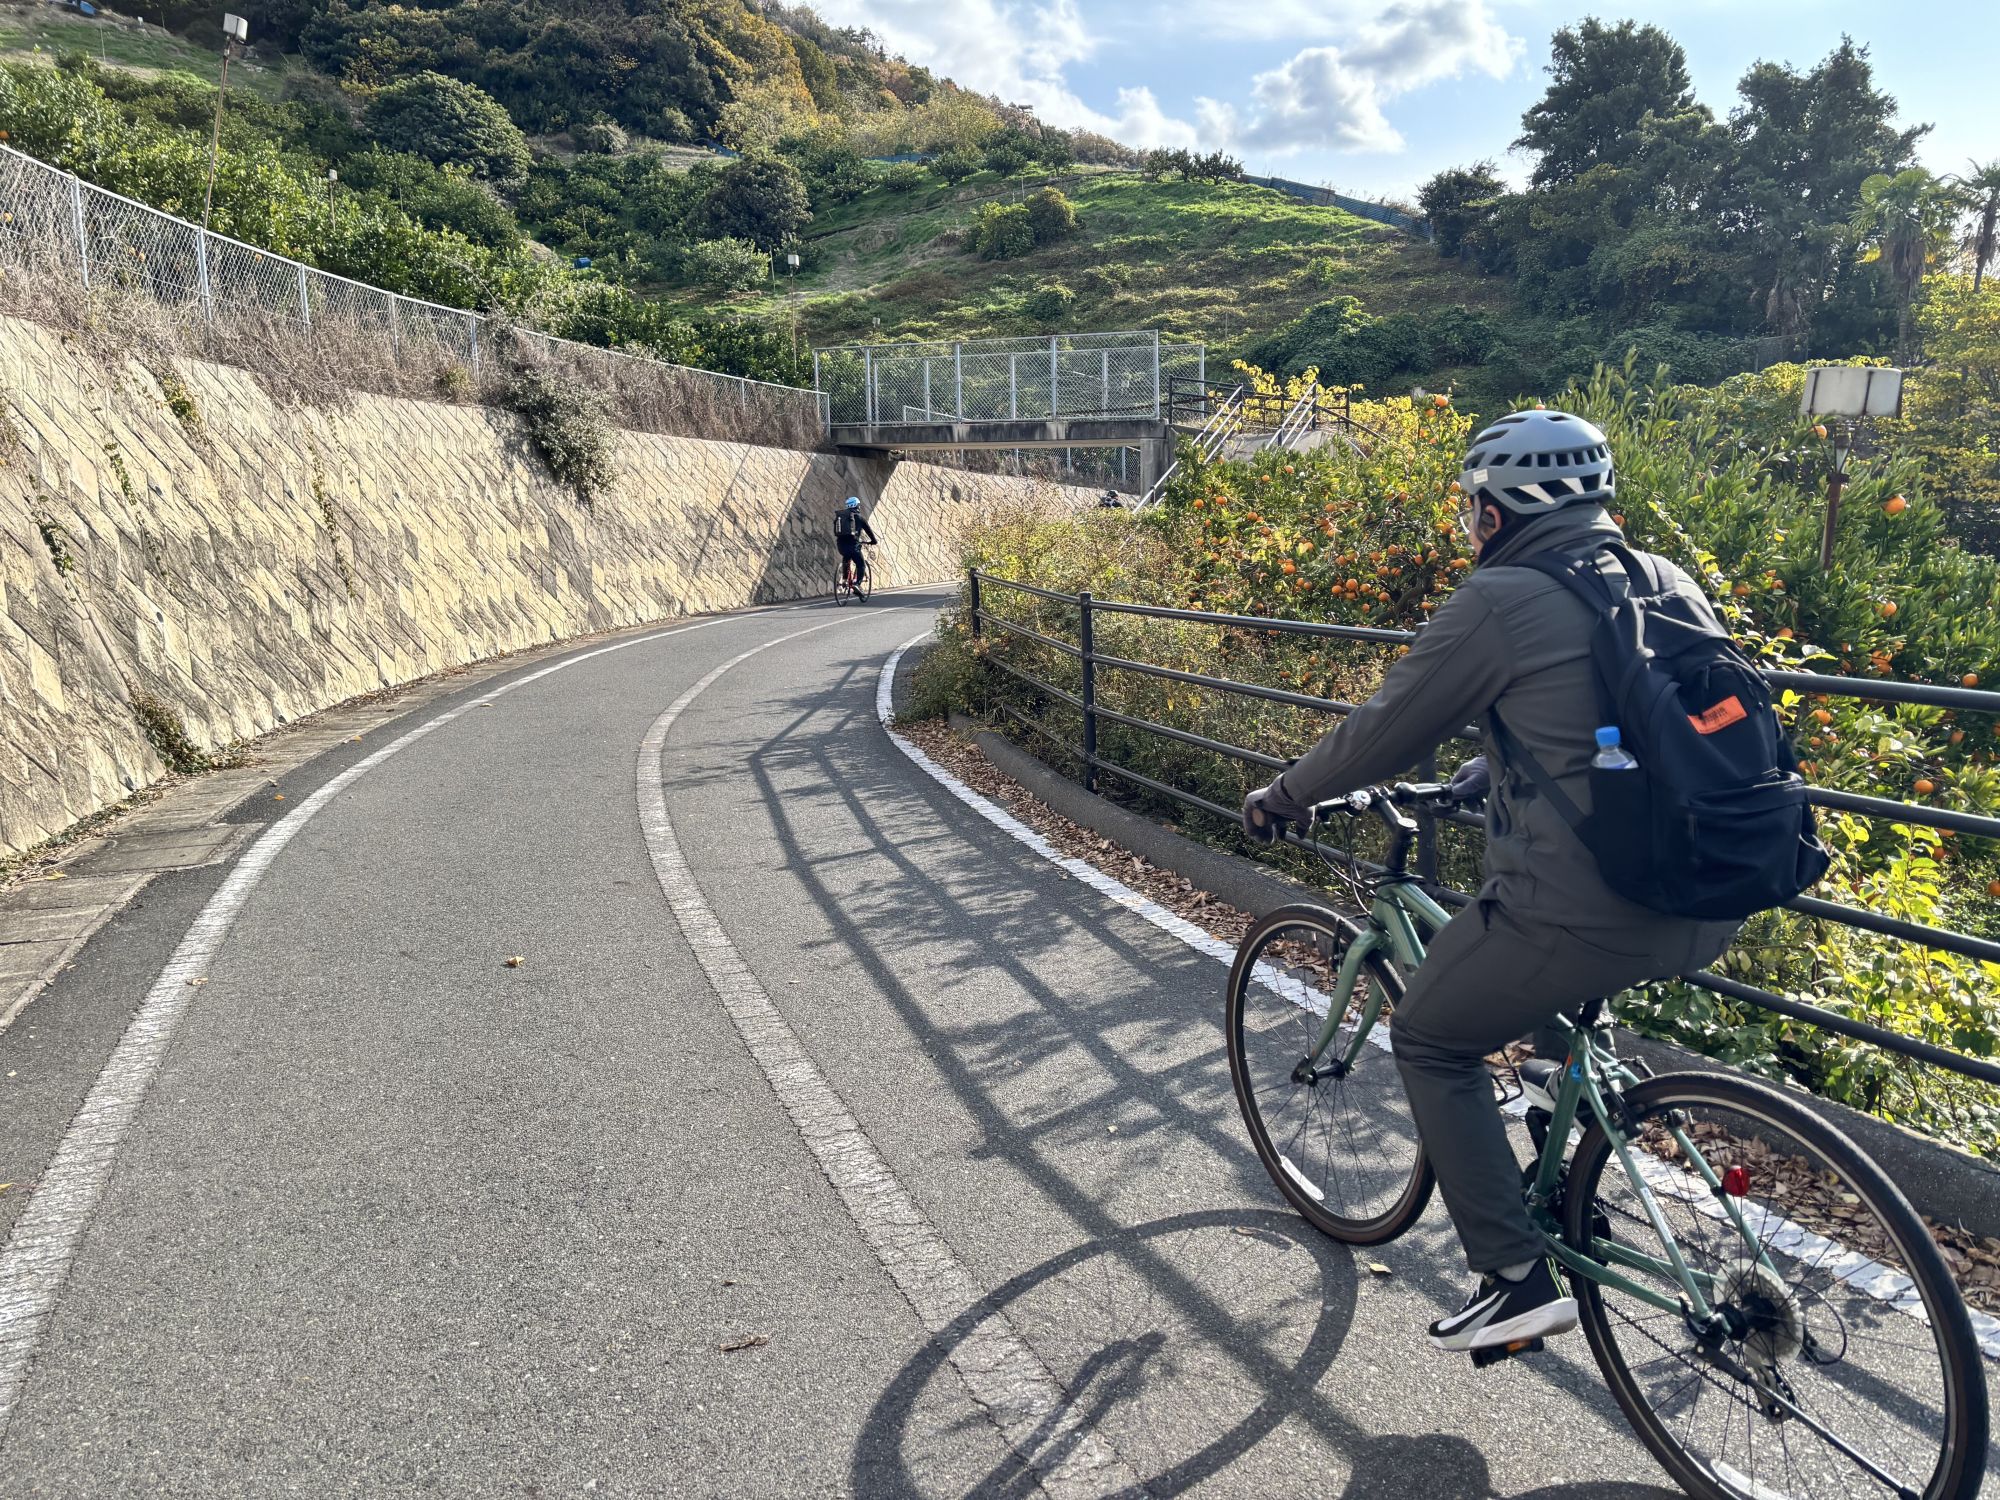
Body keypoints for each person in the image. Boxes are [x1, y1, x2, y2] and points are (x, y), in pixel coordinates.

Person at [1241, 409, 1741, 1354]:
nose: (1471, 523)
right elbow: (1632, 723)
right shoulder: (1661, 577)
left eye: (1475, 506)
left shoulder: (1503, 597)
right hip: (1709, 891)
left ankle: (1514, 1280)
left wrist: (1284, 795)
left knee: (1430, 1036)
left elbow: (1383, 731)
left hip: (1589, 910)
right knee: (1539, 985)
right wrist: (1495, 767)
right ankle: (1563, 1120)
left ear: (1506, 507)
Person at [835, 495, 877, 594]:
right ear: (857, 506)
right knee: (861, 564)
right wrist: (873, 541)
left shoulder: (841, 517)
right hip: (853, 545)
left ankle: (845, 580)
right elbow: (869, 531)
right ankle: (857, 584)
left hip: (841, 545)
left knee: (846, 558)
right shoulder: (859, 518)